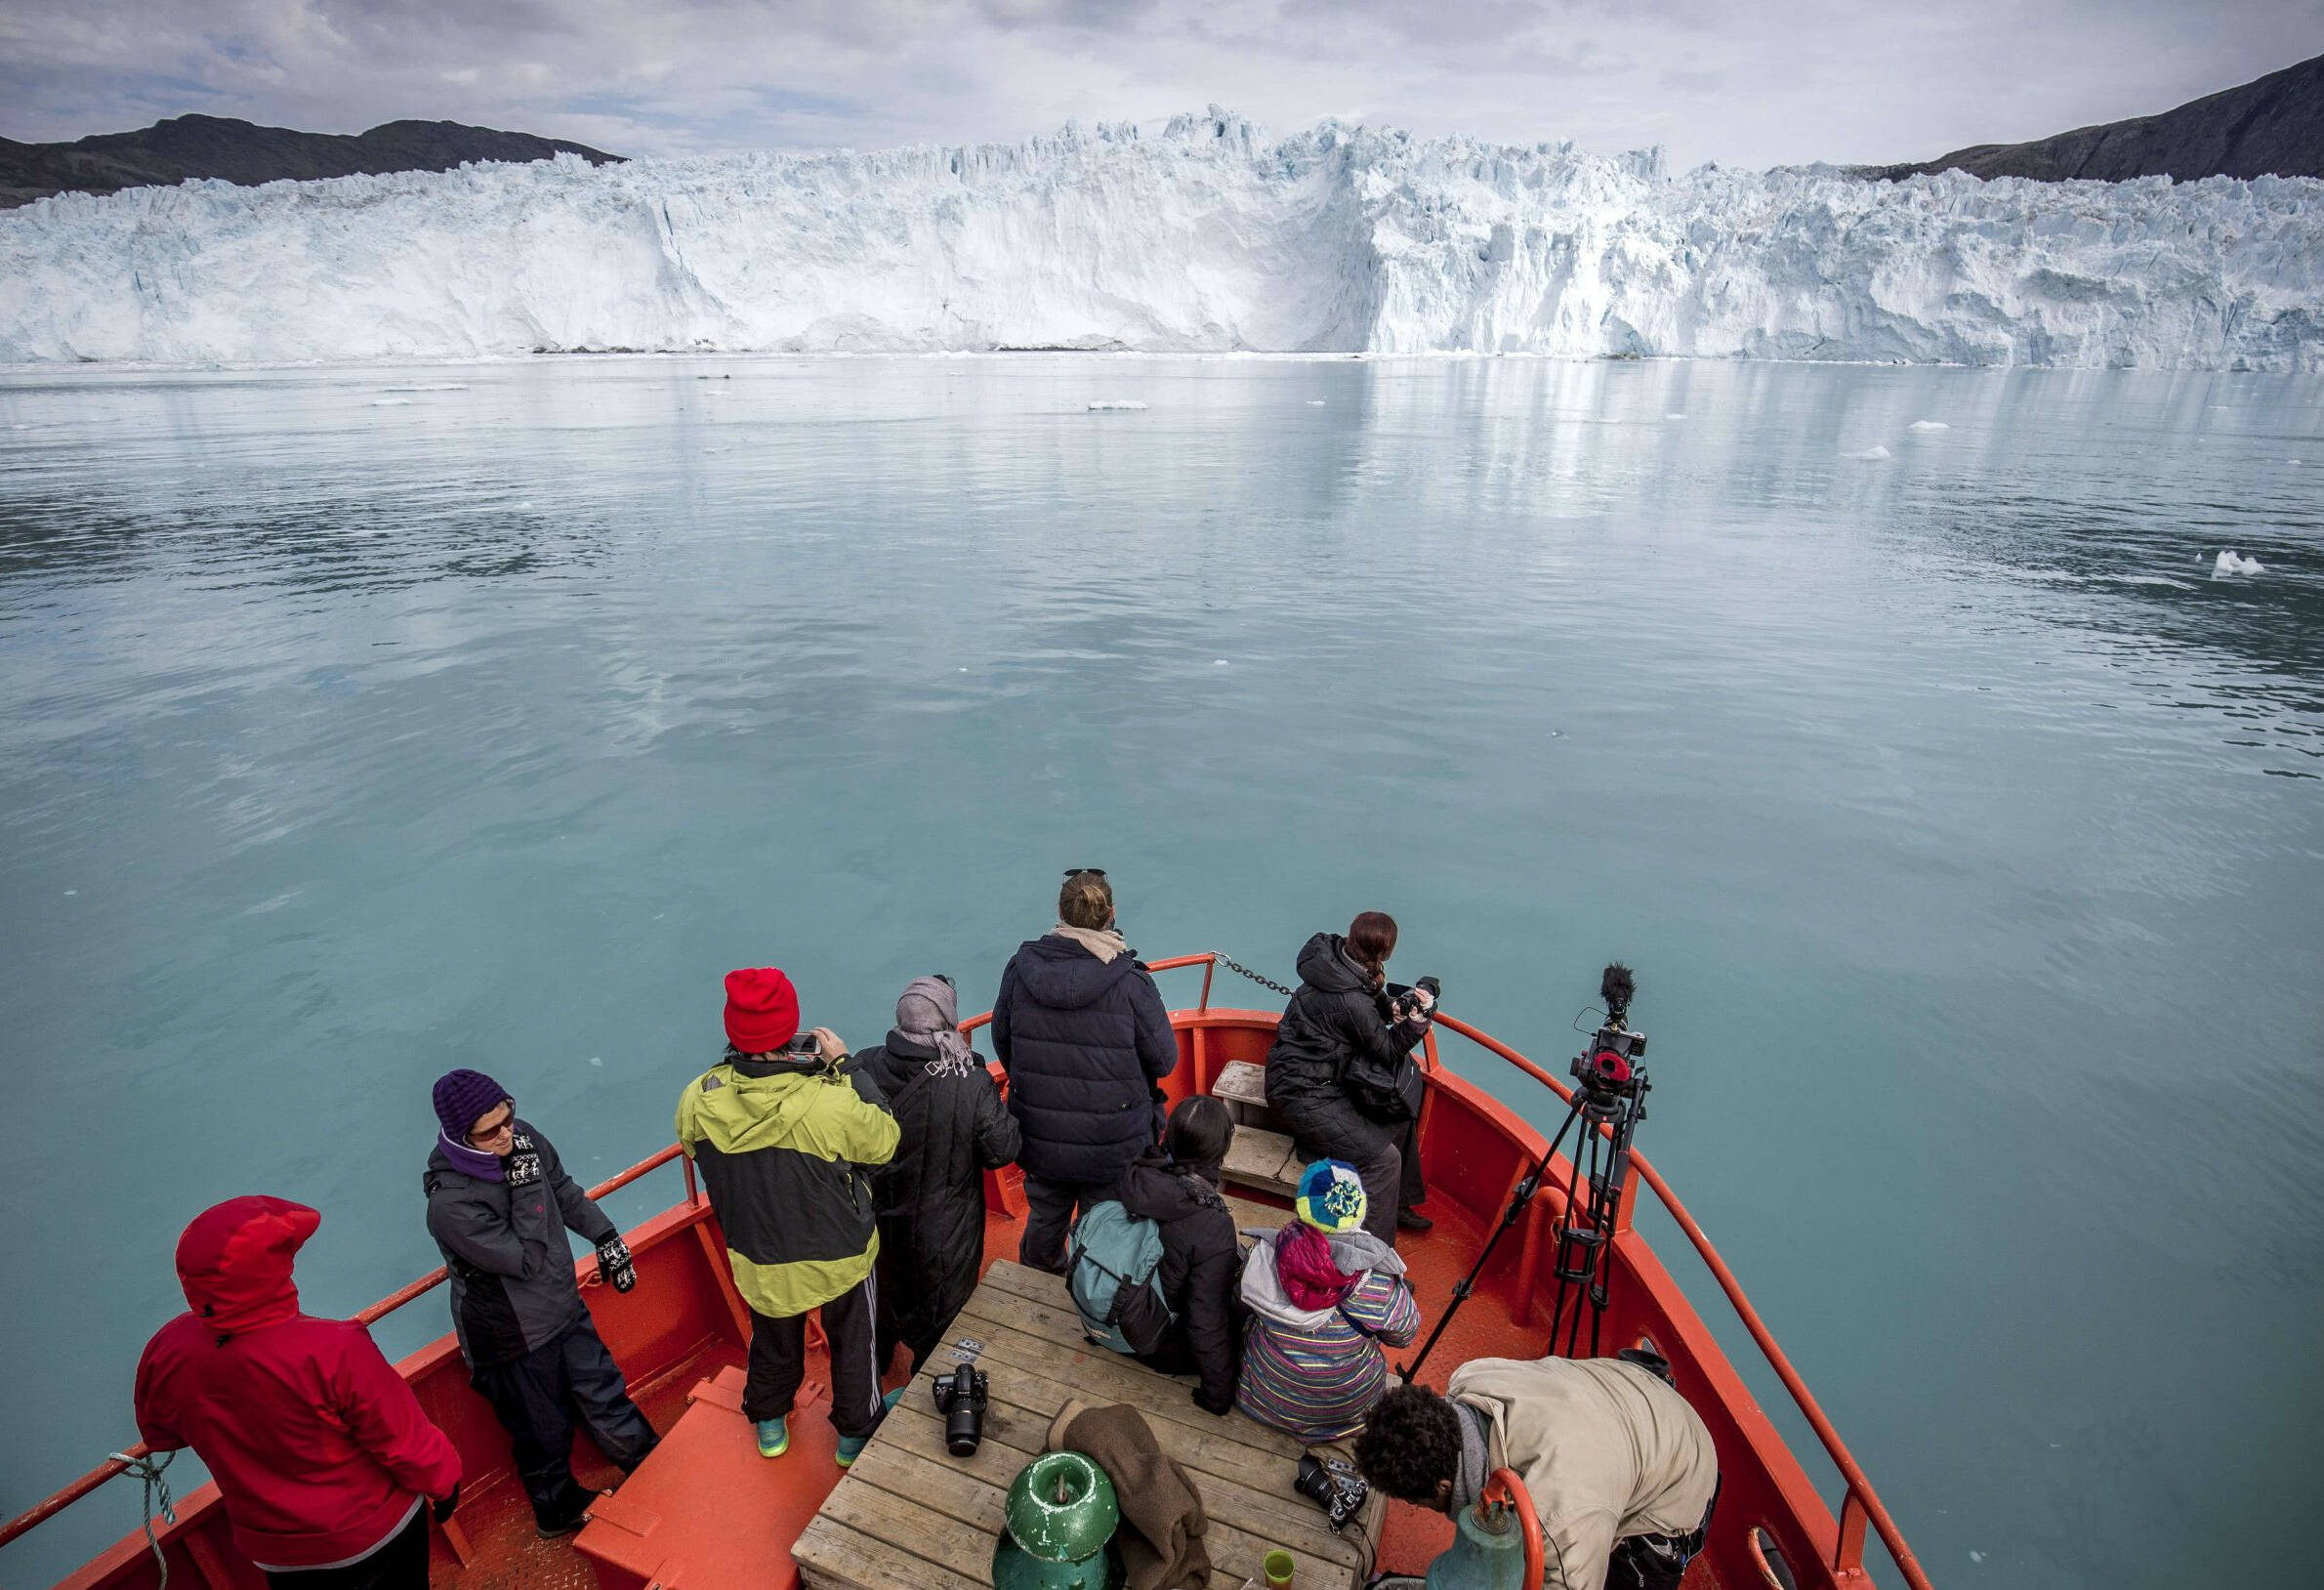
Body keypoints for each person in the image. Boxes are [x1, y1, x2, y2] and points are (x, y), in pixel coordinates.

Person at [135, 1195, 461, 1590]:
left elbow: (161, 1434)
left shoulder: (168, 1349)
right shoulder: (334, 1348)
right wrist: (444, 1483)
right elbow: (403, 1439)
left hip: (278, 1551)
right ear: (272, 1270)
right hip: (369, 1532)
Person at [678, 965, 902, 1468]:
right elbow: (885, 1142)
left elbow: (694, 1147)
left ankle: (772, 1425)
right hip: (838, 1253)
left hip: (758, 1253)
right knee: (854, 1342)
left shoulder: (698, 1098)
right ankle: (853, 1437)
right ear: (791, 1033)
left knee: (773, 1337)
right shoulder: (831, 1102)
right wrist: (845, 1065)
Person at [423, 1069, 659, 1537]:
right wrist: (523, 1181)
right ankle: (556, 1510)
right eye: (490, 1131)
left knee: (603, 1389)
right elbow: (526, 1258)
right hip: (511, 1335)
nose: (507, 1133)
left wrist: (605, 1235)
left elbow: (564, 1190)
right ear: (461, 1136)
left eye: (508, 1117)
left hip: (561, 1305)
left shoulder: (521, 1138)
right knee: (542, 1429)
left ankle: (648, 1462)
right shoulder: (449, 1207)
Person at [1353, 1357, 1721, 1590]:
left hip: (1679, 1471)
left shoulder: (1561, 1518)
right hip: (1631, 1402)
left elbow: (1572, 1580)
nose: (1426, 1509)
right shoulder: (1472, 1379)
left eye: (1421, 1502)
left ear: (1444, 1485)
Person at [991, 867, 1180, 1273]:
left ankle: (1030, 1290)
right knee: (1102, 1228)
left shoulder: (1020, 972)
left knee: (1044, 1218)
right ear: (1111, 914)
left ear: (1060, 911)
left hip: (1040, 1135)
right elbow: (1164, 1060)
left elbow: (1003, 1043)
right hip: (1112, 1141)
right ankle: (1090, 1297)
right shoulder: (1131, 983)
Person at [854, 974, 1021, 1376]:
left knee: (881, 1303)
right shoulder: (969, 1080)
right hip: (943, 1233)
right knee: (940, 1322)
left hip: (874, 1224)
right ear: (948, 1020)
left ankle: (874, 1370)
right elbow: (1001, 1150)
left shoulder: (862, 1067)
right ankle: (923, 1385)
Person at [1263, 912, 1434, 1247]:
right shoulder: (1351, 997)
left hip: (1316, 1077)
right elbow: (1385, 1049)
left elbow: (1362, 1006)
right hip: (1304, 1094)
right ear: (1384, 953)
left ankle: (1396, 1203)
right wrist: (1416, 1023)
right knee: (1385, 1162)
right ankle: (1374, 1261)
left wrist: (1392, 1008)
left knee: (1399, 1113)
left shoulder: (1336, 958)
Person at [1234, 1159, 1420, 1443]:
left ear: (1301, 1206)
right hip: (1342, 1414)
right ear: (1358, 1212)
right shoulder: (1379, 1283)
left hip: (1264, 1399)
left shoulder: (1263, 1255)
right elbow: (1404, 1335)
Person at [1087, 1096, 1244, 1415]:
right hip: (1155, 1345)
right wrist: (1217, 1395)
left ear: (1168, 1136)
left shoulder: (1132, 1175)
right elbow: (1206, 1320)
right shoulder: (1213, 1224)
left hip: (1108, 1316)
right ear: (1219, 1152)